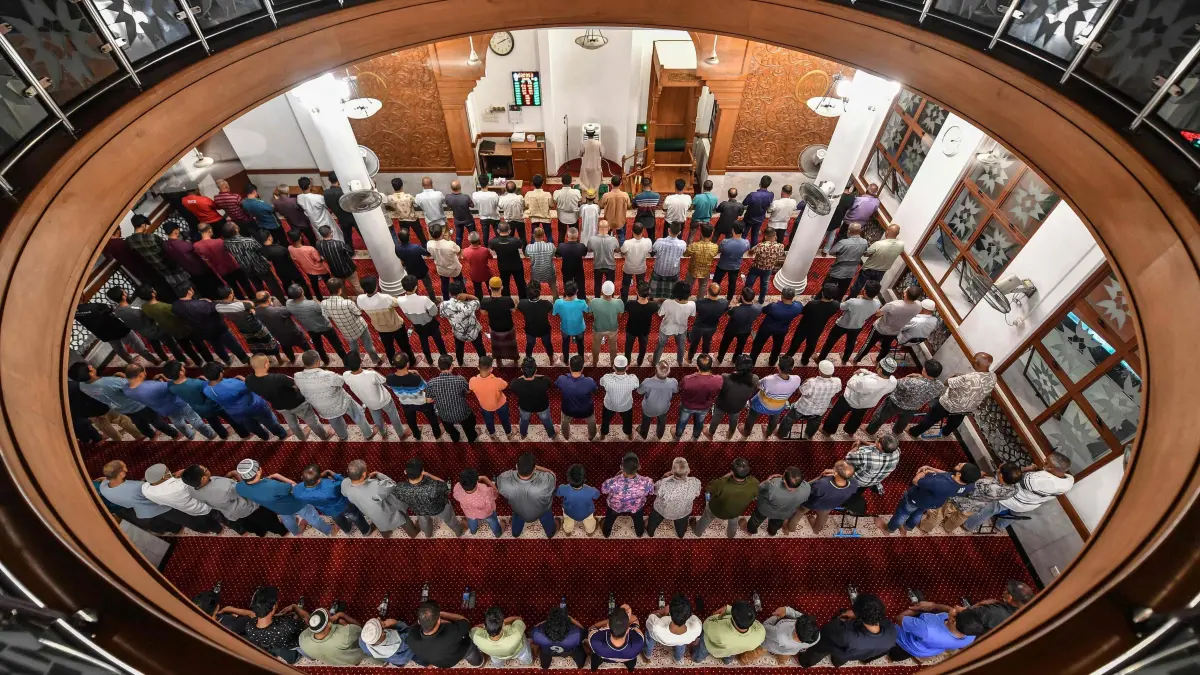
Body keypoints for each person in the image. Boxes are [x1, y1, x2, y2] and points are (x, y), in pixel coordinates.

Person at [69, 362, 179, 439]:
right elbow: (135, 387)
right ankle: (174, 434)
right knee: (155, 420)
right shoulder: (112, 382)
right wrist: (125, 377)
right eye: (89, 366)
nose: (91, 366)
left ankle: (151, 435)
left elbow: (102, 389)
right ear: (90, 372)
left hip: (122, 409)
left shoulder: (82, 386)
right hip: (138, 404)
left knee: (139, 423)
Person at [909, 352, 998, 438]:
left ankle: (914, 432)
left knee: (931, 418)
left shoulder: (966, 378)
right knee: (955, 421)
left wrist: (955, 375)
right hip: (967, 408)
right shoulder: (993, 377)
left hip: (948, 405)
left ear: (976, 363)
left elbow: (946, 382)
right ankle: (946, 432)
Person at [182, 464, 289, 535]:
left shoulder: (191, 489)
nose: (207, 469)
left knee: (251, 525)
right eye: (205, 470)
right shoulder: (225, 489)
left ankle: (260, 533)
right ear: (203, 478)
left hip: (231, 513)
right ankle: (282, 531)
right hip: (250, 508)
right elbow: (246, 490)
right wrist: (238, 475)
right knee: (268, 520)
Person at [796, 592, 896, 668]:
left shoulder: (846, 633)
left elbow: (827, 630)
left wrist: (841, 618)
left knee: (820, 647)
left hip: (842, 647)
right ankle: (837, 663)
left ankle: (805, 662)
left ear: (856, 614)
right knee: (842, 658)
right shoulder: (892, 633)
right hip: (855, 653)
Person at [921, 461, 1022, 534]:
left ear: (1001, 476)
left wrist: (978, 477)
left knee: (940, 513)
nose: (997, 469)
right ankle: (948, 528)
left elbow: (968, 488)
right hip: (976, 506)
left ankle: (926, 527)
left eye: (999, 470)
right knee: (960, 517)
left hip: (959, 499)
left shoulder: (985, 484)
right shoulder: (1014, 489)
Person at [293, 350, 374, 440]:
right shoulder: (327, 375)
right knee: (357, 414)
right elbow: (341, 381)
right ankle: (368, 434)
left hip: (322, 408)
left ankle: (343, 436)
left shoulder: (297, 376)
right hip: (340, 402)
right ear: (317, 362)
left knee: (334, 421)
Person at [121, 364, 216, 440]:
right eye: (144, 372)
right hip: (178, 404)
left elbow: (145, 392)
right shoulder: (156, 386)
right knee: (195, 419)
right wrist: (163, 380)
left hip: (163, 409)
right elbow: (175, 385)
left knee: (177, 422)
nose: (145, 374)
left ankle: (190, 435)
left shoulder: (126, 389)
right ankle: (210, 434)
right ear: (140, 374)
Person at [233, 458, 326, 535]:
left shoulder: (239, 487)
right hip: (296, 504)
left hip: (279, 509)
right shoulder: (273, 486)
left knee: (288, 521)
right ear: (258, 472)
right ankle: (328, 530)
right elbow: (295, 487)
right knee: (313, 518)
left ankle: (297, 532)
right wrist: (277, 476)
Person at [887, 462, 981, 534]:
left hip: (916, 498)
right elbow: (948, 474)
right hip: (932, 502)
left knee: (902, 514)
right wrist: (930, 468)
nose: (959, 463)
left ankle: (889, 529)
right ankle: (908, 527)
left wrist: (924, 472)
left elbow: (916, 481)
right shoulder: (970, 484)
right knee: (918, 513)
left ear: (959, 474)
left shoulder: (940, 483)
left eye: (960, 466)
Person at [96, 460, 181, 533]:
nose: (126, 469)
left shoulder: (103, 487)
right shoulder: (137, 487)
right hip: (153, 512)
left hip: (138, 514)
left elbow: (104, 479)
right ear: (121, 474)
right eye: (124, 467)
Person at [135, 285, 214, 363]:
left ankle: (198, 362)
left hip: (172, 331)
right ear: (153, 294)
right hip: (186, 328)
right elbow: (182, 312)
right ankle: (210, 361)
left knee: (187, 348)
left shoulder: (145, 307)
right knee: (200, 345)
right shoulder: (165, 307)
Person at [343, 459, 420, 538]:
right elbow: (392, 485)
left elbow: (345, 493)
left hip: (373, 516)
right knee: (404, 520)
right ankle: (415, 531)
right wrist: (378, 474)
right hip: (390, 513)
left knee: (382, 527)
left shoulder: (345, 484)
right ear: (363, 474)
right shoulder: (376, 487)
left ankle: (387, 535)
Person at [866, 359, 944, 435]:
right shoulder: (940, 385)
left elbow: (895, 384)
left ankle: (870, 430)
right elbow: (930, 388)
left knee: (880, 417)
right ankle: (897, 431)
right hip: (914, 407)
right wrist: (921, 377)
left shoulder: (911, 382)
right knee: (903, 421)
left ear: (924, 370)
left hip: (896, 403)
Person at [823, 357, 898, 436]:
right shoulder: (893, 381)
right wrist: (865, 371)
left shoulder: (866, 382)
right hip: (867, 404)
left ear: (880, 370)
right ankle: (850, 431)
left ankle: (828, 431)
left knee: (836, 414)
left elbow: (850, 383)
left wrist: (858, 374)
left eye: (878, 365)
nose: (876, 365)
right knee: (857, 418)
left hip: (850, 400)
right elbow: (876, 376)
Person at [140, 462, 224, 532]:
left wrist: (173, 477)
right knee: (220, 513)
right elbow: (202, 482)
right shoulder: (181, 486)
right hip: (204, 506)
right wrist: (184, 473)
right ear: (164, 477)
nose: (170, 471)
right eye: (168, 471)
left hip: (190, 510)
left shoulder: (146, 490)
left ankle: (218, 526)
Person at [342, 351, 408, 439]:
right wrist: (373, 371)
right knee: (393, 416)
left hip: (370, 404)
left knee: (378, 421)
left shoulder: (345, 375)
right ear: (361, 361)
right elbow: (385, 382)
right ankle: (401, 434)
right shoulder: (371, 374)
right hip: (385, 400)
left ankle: (383, 434)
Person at [75, 297, 160, 365]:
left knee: (119, 350)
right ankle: (153, 360)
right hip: (118, 328)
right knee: (137, 345)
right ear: (82, 297)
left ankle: (132, 363)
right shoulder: (94, 306)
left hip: (104, 334)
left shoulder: (75, 314)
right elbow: (110, 308)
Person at [392, 458, 464, 537]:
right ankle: (459, 532)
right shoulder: (434, 487)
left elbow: (399, 498)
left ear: (405, 472)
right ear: (422, 471)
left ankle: (428, 535)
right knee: (450, 520)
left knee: (424, 523)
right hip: (439, 508)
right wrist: (428, 474)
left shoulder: (400, 487)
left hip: (420, 510)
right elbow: (446, 486)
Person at [293, 463, 372, 535]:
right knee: (354, 516)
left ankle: (348, 530)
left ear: (302, 477)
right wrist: (331, 473)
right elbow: (344, 482)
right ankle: (366, 531)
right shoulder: (330, 486)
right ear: (318, 480)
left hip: (327, 510)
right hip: (344, 505)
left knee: (337, 518)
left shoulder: (297, 491)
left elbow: (302, 485)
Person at [889, 604, 986, 662]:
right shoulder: (971, 635)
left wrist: (915, 610)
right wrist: (933, 605)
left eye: (956, 611)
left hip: (905, 645)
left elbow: (899, 619)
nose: (956, 606)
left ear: (952, 621)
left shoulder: (927, 628)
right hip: (929, 648)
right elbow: (950, 612)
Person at [852, 285, 923, 365]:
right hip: (895, 331)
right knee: (886, 347)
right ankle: (878, 361)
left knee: (868, 345)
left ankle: (856, 360)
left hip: (880, 328)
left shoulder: (893, 305)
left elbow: (877, 314)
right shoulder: (919, 306)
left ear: (905, 294)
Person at [125, 214, 192, 297]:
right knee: (188, 287)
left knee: (179, 290)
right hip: (171, 266)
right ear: (143, 225)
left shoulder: (129, 240)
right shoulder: (152, 237)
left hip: (159, 269)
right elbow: (166, 250)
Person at [356, 275, 415, 367]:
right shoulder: (385, 298)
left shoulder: (360, 299)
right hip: (396, 326)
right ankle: (411, 360)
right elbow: (397, 303)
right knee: (404, 345)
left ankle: (392, 362)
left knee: (388, 347)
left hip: (380, 328)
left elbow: (360, 307)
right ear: (376, 286)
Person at [213, 286, 285, 362]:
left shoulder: (218, 307)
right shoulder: (240, 305)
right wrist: (235, 300)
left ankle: (263, 359)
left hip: (242, 328)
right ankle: (280, 360)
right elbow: (251, 303)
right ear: (231, 295)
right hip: (256, 326)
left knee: (255, 344)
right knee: (269, 342)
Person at [818, 280, 882, 364]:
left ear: (864, 291)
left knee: (830, 341)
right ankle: (845, 359)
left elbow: (841, 307)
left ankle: (821, 358)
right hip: (858, 326)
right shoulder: (878, 303)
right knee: (850, 344)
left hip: (842, 325)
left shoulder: (853, 302)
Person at [694, 457, 758, 538]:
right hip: (735, 512)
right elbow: (757, 495)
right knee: (733, 523)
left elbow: (708, 488)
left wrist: (724, 477)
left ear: (732, 471)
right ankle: (731, 535)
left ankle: (697, 532)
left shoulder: (721, 483)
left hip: (715, 510)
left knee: (706, 518)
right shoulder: (754, 483)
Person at [788, 460, 859, 534]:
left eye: (834, 468)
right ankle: (816, 529)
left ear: (835, 473)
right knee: (823, 516)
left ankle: (791, 528)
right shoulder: (854, 483)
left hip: (811, 503)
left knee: (799, 512)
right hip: (831, 504)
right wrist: (836, 473)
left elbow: (806, 488)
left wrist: (819, 477)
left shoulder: (823, 484)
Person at [497, 452, 558, 538]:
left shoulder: (504, 481)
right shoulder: (545, 482)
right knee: (548, 523)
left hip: (519, 511)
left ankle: (516, 533)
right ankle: (550, 533)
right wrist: (535, 467)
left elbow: (498, 483)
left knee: (517, 522)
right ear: (534, 469)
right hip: (542, 510)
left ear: (517, 466)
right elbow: (552, 474)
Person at [242, 586, 309, 663]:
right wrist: (295, 607)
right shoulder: (287, 625)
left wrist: (278, 615)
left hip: (277, 645)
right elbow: (307, 620)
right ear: (273, 607)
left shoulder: (249, 627)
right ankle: (299, 609)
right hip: (293, 648)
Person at [285, 283, 348, 364]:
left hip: (310, 328)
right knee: (336, 344)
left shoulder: (288, 303)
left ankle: (325, 360)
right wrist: (318, 302)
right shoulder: (312, 304)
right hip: (325, 326)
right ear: (302, 292)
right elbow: (324, 312)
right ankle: (345, 359)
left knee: (318, 346)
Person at [409, 601, 485, 667]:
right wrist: (442, 614)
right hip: (457, 654)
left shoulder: (411, 639)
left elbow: (416, 626)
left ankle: (478, 663)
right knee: (470, 646)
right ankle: (479, 662)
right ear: (439, 620)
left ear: (419, 622)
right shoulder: (452, 632)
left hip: (441, 663)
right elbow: (465, 622)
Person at [386, 353, 443, 441]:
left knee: (411, 421)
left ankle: (416, 435)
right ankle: (437, 434)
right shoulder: (415, 378)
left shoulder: (389, 378)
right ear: (407, 364)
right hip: (422, 402)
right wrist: (418, 374)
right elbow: (425, 387)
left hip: (406, 403)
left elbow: (390, 386)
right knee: (432, 418)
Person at [70, 376, 144, 443]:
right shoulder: (81, 385)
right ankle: (136, 435)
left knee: (107, 426)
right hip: (102, 405)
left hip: (94, 410)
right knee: (120, 420)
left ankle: (118, 440)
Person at [998, 452, 1075, 516]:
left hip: (1013, 499)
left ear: (1051, 467)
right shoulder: (1069, 482)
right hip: (1029, 505)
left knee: (992, 507)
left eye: (1046, 462)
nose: (1044, 461)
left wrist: (1027, 469)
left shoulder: (1038, 480)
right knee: (1014, 515)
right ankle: (999, 526)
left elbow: (1014, 478)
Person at [743, 356, 802, 438]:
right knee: (774, 419)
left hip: (762, 404)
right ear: (792, 367)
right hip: (779, 406)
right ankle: (768, 433)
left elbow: (758, 386)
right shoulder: (797, 379)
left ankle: (746, 431)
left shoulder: (769, 380)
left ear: (778, 367)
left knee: (752, 415)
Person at [223, 222, 285, 298]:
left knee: (258, 287)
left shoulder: (226, 243)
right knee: (273, 285)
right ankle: (282, 301)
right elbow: (260, 250)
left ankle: (263, 302)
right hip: (260, 266)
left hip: (246, 268)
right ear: (236, 230)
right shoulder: (248, 241)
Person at [426, 355, 479, 442]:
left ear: (438, 367)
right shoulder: (460, 379)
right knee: (470, 421)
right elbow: (468, 391)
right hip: (462, 413)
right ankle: (471, 437)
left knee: (448, 425)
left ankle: (455, 437)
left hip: (444, 415)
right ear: (452, 366)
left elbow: (429, 400)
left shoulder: (431, 383)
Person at [693, 600, 766, 664]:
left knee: (701, 651)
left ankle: (697, 659)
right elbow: (755, 623)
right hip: (734, 650)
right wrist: (729, 610)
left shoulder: (718, 630)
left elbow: (706, 624)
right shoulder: (761, 633)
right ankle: (726, 661)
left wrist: (718, 616)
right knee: (729, 656)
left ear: (732, 616)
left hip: (713, 647)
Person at [162, 222, 222, 299]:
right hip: (200, 268)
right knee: (213, 287)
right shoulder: (181, 245)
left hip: (189, 271)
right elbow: (196, 249)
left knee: (204, 290)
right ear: (175, 231)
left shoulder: (166, 245)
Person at [600, 452, 654, 537]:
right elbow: (651, 492)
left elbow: (604, 490)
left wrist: (615, 478)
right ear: (639, 467)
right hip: (636, 507)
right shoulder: (647, 482)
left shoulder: (612, 482)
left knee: (609, 519)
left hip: (615, 506)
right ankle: (639, 533)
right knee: (638, 520)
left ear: (621, 467)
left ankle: (606, 533)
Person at [396, 275, 447, 365]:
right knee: (439, 341)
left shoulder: (400, 300)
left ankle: (429, 359)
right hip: (430, 324)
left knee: (424, 344)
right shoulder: (423, 299)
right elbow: (434, 312)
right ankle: (444, 357)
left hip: (418, 326)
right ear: (416, 287)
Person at [786, 283, 841, 364]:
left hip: (804, 327)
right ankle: (805, 360)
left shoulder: (812, 304)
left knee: (796, 342)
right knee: (811, 345)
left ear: (822, 293)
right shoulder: (836, 305)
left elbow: (803, 311)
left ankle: (789, 356)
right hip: (818, 328)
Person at [707, 356, 760, 439]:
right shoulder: (755, 378)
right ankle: (730, 434)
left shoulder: (725, 377)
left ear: (736, 366)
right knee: (734, 420)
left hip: (722, 404)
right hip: (738, 406)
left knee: (716, 418)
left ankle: (710, 433)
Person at [747, 466, 810, 536]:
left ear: (784, 481)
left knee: (756, 520)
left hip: (765, 510)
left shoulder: (773, 486)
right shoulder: (806, 488)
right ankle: (771, 532)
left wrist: (768, 481)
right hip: (784, 514)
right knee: (776, 524)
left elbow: (759, 490)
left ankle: (751, 530)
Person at [846, 224, 904, 299]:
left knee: (859, 285)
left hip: (868, 269)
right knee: (873, 289)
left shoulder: (878, 244)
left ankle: (850, 299)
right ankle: (866, 301)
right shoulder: (901, 245)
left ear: (887, 232)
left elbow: (866, 254)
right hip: (882, 271)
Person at [648, 457, 701, 538]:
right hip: (682, 511)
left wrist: (663, 477)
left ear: (672, 471)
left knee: (653, 522)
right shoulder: (695, 482)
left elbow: (655, 492)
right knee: (681, 526)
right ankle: (680, 535)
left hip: (662, 510)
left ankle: (650, 532)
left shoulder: (663, 483)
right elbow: (697, 494)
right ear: (688, 470)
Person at [750, 287, 802, 367]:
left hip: (767, 328)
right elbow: (798, 304)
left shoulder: (774, 307)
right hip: (782, 329)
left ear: (782, 296)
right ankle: (772, 362)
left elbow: (764, 310)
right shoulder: (798, 307)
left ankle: (752, 362)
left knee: (758, 344)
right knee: (777, 346)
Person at [643, 594, 702, 664]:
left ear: (670, 613)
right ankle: (677, 659)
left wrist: (662, 613)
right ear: (688, 614)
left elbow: (650, 617)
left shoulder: (656, 626)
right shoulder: (697, 626)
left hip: (660, 636)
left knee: (649, 638)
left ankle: (647, 655)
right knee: (680, 648)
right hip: (682, 640)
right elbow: (693, 616)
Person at [791, 360, 843, 439]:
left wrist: (806, 380)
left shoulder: (812, 382)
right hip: (820, 411)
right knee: (816, 422)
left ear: (820, 372)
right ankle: (809, 434)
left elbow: (800, 391)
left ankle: (782, 432)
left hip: (803, 409)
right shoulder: (837, 381)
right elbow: (838, 390)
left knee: (788, 418)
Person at [299, 606, 365, 666]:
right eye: (330, 616)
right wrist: (342, 615)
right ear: (329, 624)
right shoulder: (345, 634)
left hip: (333, 662)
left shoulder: (302, 639)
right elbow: (360, 629)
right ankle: (356, 661)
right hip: (352, 658)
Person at [441, 281, 486, 366]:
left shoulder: (444, 305)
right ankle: (483, 362)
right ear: (462, 291)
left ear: (449, 293)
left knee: (459, 348)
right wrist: (468, 296)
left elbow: (443, 315)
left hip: (458, 332)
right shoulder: (469, 305)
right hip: (473, 332)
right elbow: (478, 301)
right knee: (479, 347)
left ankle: (460, 362)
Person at [511, 358, 557, 439]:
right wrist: (536, 375)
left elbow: (516, 382)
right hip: (542, 406)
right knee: (546, 420)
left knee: (524, 421)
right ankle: (552, 434)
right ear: (535, 370)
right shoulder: (544, 381)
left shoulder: (516, 383)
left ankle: (523, 434)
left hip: (525, 406)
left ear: (522, 370)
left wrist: (523, 377)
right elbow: (548, 381)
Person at [587, 605, 645, 671]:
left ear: (608, 626)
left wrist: (612, 621)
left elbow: (591, 628)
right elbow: (635, 621)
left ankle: (594, 669)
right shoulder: (639, 642)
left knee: (595, 658)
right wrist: (627, 616)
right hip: (628, 658)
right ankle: (630, 669)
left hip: (603, 657)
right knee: (631, 662)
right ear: (628, 629)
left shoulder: (595, 640)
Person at [846, 435, 902, 501]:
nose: (877, 438)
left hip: (859, 481)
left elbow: (849, 458)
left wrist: (857, 446)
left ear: (879, 445)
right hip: (876, 481)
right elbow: (875, 446)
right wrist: (862, 441)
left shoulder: (865, 455)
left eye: (878, 438)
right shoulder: (897, 451)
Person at [556, 355, 598, 441]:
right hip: (586, 411)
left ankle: (566, 436)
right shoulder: (589, 381)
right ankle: (591, 436)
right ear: (582, 367)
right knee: (592, 422)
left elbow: (558, 387)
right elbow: (595, 391)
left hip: (568, 410)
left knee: (564, 422)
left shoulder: (561, 379)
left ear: (570, 367)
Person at [653, 281, 695, 366]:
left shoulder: (667, 302)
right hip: (681, 328)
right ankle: (680, 362)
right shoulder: (692, 304)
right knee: (681, 346)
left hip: (666, 327)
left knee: (660, 345)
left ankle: (655, 362)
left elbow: (660, 313)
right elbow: (692, 315)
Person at [470, 355, 513, 438]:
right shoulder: (497, 381)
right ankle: (508, 433)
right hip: (501, 404)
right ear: (491, 369)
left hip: (485, 406)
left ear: (478, 367)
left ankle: (492, 433)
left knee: (488, 421)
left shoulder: (473, 381)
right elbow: (505, 385)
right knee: (505, 419)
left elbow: (470, 388)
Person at [716, 287, 762, 364]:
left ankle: (720, 358)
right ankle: (735, 360)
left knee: (725, 344)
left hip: (732, 329)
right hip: (746, 330)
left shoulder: (736, 309)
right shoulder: (758, 308)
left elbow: (727, 316)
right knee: (740, 346)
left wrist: (734, 306)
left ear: (742, 297)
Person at [480, 277, 519, 366]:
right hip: (508, 327)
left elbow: (483, 312)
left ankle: (498, 361)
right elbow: (513, 311)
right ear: (501, 287)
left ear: (489, 287)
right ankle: (515, 360)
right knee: (512, 346)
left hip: (494, 328)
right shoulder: (508, 300)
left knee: (496, 347)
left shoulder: (485, 301)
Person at [824, 223, 869, 299]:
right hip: (851, 271)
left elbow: (832, 252)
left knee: (827, 287)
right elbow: (865, 252)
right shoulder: (865, 242)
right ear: (860, 231)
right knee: (842, 290)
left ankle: (821, 300)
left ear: (849, 231)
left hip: (838, 270)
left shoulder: (843, 242)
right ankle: (837, 303)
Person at [453, 467, 502, 536]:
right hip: (486, 513)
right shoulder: (485, 490)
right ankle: (498, 533)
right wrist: (486, 479)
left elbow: (455, 496)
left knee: (472, 521)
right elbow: (495, 493)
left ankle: (473, 531)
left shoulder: (457, 487)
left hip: (469, 513)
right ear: (476, 481)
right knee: (492, 521)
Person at [259, 231, 306, 300]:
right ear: (269, 238)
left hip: (279, 270)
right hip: (290, 268)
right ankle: (307, 297)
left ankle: (291, 299)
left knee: (286, 284)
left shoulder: (262, 250)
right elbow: (289, 257)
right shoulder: (280, 249)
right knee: (301, 282)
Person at [637, 360, 678, 440]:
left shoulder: (647, 382)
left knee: (645, 422)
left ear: (655, 371)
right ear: (669, 373)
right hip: (664, 408)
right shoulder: (673, 382)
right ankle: (660, 435)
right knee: (662, 422)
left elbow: (639, 391)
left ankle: (643, 434)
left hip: (649, 408)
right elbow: (676, 390)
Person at [555, 464, 600, 535]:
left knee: (568, 521)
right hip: (587, 512)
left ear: (568, 479)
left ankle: (567, 531)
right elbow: (597, 495)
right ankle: (590, 532)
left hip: (569, 512)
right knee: (590, 521)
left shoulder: (562, 488)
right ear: (584, 479)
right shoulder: (591, 490)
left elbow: (557, 494)